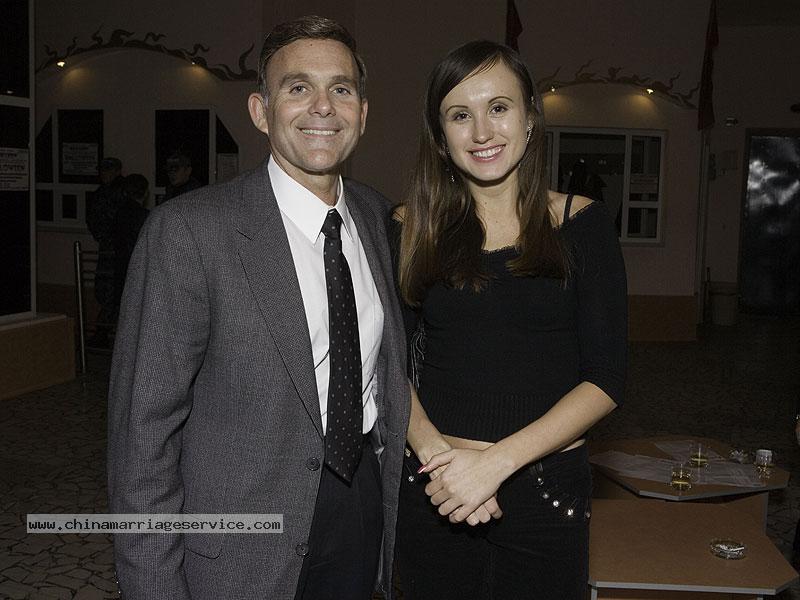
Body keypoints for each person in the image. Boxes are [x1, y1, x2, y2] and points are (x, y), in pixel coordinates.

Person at [108, 15, 409, 600]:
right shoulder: (189, 232)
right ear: (260, 111)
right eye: (298, 87)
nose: (322, 107)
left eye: (341, 89)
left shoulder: (380, 219)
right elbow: (143, 434)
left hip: (359, 509)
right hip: (240, 545)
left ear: (363, 112)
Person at [390, 40, 627, 599]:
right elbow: (385, 364)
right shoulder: (408, 228)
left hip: (546, 490)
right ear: (440, 137)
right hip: (435, 485)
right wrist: (441, 463)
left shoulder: (583, 224)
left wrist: (493, 465)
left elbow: (606, 379)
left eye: (498, 107)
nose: (482, 132)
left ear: (530, 119)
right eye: (459, 115)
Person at [86, 157, 125, 348]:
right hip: (108, 247)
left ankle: (103, 332)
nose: (104, 174)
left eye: (108, 170)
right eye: (102, 170)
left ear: (117, 171)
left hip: (119, 248)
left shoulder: (121, 192)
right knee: (105, 290)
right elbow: (93, 219)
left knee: (114, 292)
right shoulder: (101, 193)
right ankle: (102, 332)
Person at [111, 174, 149, 309]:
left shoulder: (118, 212)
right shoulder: (145, 216)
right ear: (145, 192)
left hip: (120, 265)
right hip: (138, 268)